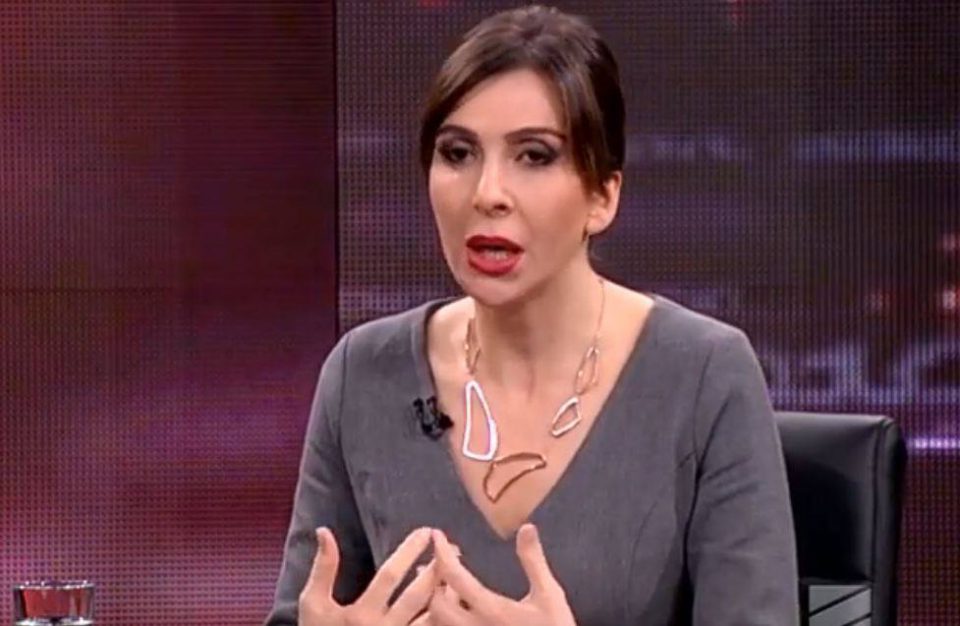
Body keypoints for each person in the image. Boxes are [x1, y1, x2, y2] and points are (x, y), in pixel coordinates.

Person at [265, 5, 798, 625]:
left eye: (535, 156)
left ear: (602, 196)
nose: (487, 193)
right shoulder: (361, 374)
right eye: (457, 153)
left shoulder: (706, 375)